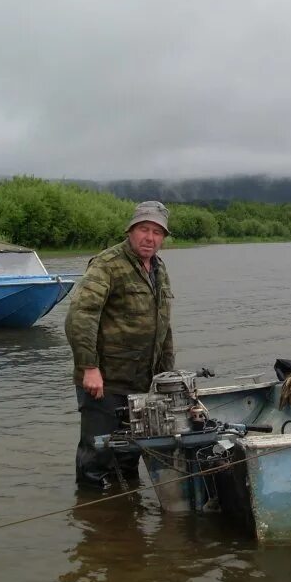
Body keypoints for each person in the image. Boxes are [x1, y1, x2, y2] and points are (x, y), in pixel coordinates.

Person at [65, 200, 175, 489]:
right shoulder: (107, 264)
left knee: (130, 455)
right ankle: (92, 517)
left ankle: (124, 521)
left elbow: (163, 326)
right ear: (130, 230)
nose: (149, 237)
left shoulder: (158, 269)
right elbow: (81, 315)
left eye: (157, 232)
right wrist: (89, 367)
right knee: (97, 456)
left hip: (142, 382)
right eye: (143, 229)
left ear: (163, 237)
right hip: (104, 382)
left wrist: (166, 377)